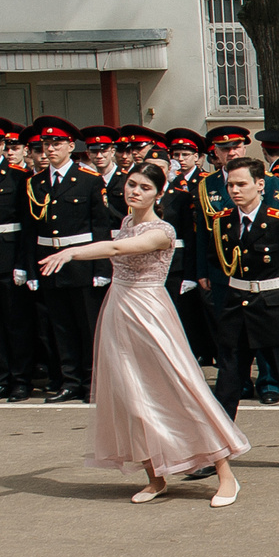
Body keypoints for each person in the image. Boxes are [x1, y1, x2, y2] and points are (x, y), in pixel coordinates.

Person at [34, 163, 246, 502]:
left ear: (158, 193)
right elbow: (119, 246)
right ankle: (155, 476)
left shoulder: (163, 231)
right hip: (118, 308)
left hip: (149, 311)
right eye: (131, 184)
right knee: (129, 395)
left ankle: (225, 474)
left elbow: (118, 250)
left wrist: (73, 251)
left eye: (144, 187)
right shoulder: (127, 223)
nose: (134, 191)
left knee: (181, 390)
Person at [201, 156, 279, 478]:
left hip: (272, 305)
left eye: (241, 184)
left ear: (260, 185)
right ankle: (217, 454)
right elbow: (216, 258)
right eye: (230, 185)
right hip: (236, 305)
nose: (235, 191)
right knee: (227, 384)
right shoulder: (223, 221)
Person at [23, 117, 116, 405]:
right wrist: (31, 269)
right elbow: (30, 230)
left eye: (56, 143)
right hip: (49, 261)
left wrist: (101, 267)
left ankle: (91, 381)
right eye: (45, 144)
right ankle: (69, 381)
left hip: (81, 263)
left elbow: (100, 226)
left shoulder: (89, 180)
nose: (50, 149)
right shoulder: (35, 183)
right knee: (60, 326)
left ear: (69, 146)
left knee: (87, 326)